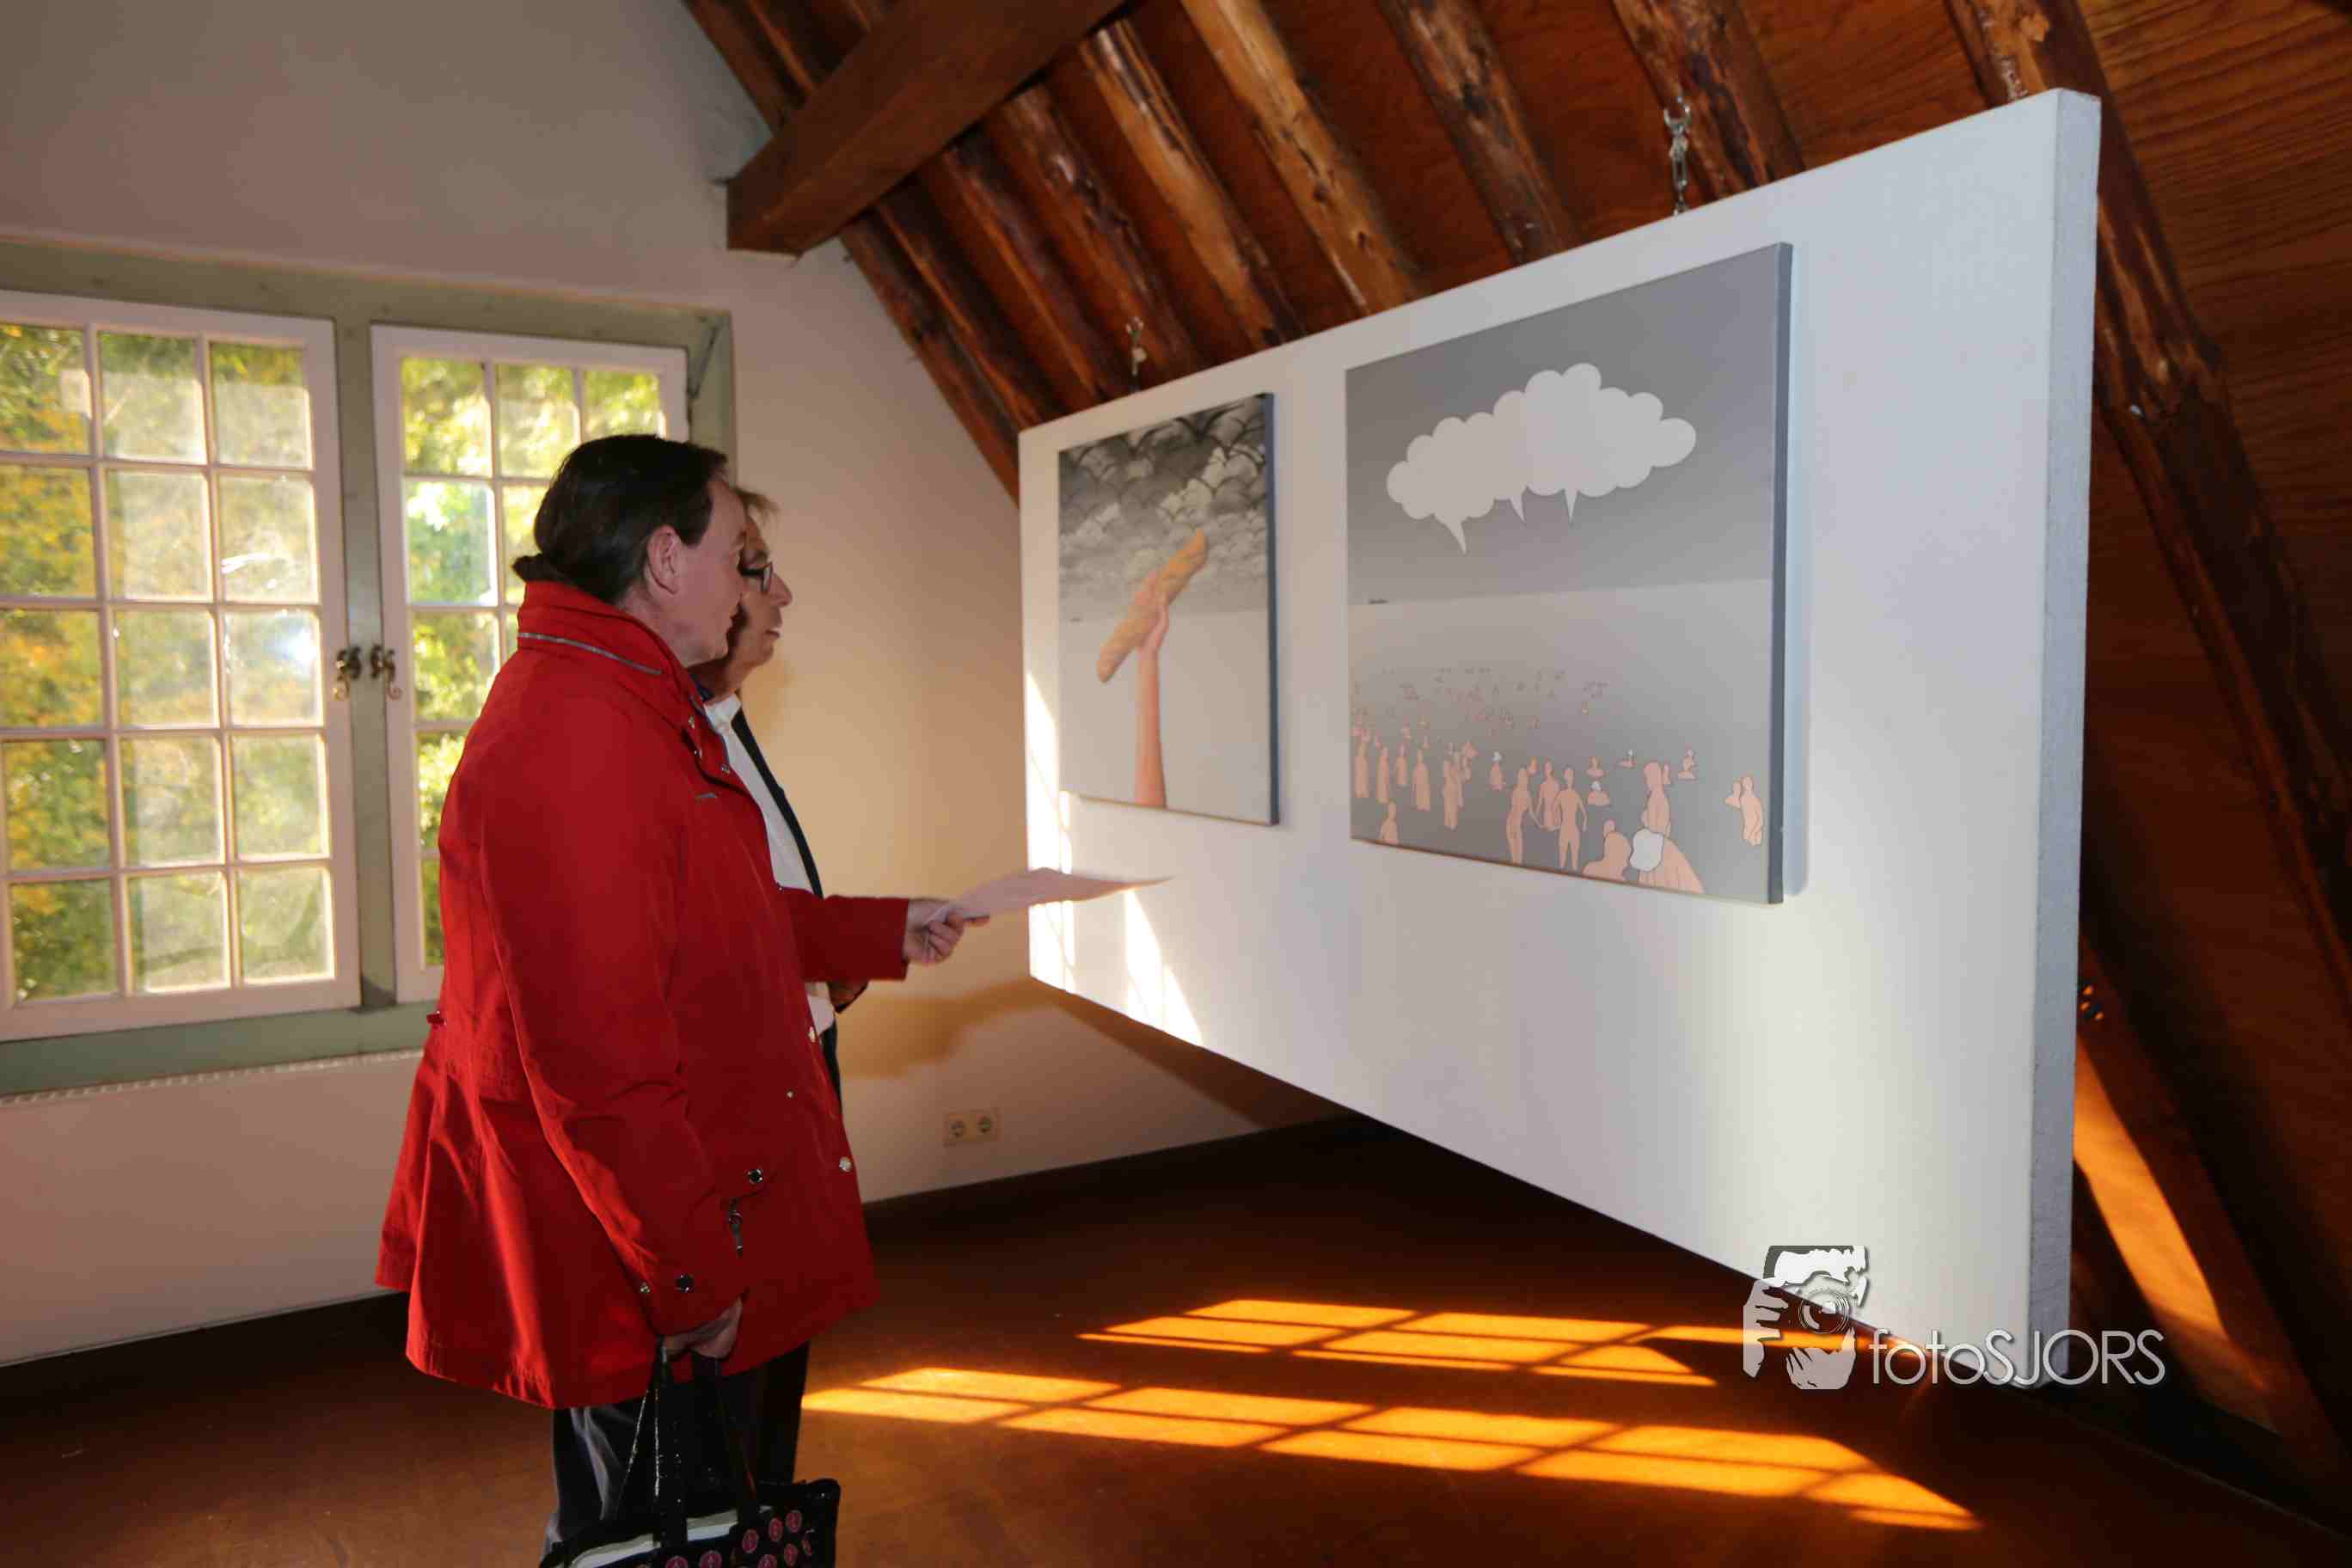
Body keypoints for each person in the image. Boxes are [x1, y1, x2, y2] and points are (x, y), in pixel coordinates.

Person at [372, 436, 981, 1557]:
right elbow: (596, 1063)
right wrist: (691, 1279)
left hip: (674, 1204)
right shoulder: (579, 739)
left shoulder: (620, 702)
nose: (756, 590)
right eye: (740, 558)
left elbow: (715, 915)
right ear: (664, 558)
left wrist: (881, 932)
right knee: (663, 1525)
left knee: (701, 1510)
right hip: (644, 1235)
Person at [683, 487, 862, 1489]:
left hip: (792, 1069)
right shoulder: (662, 749)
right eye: (754, 568)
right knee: (702, 1447)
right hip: (734, 1114)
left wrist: (835, 959)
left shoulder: (725, 723)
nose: (781, 592)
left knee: (761, 1415)